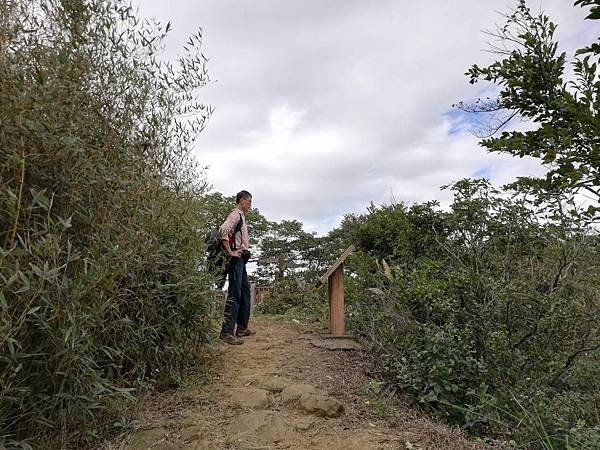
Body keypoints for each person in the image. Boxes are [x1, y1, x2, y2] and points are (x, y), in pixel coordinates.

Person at [219, 190, 255, 345]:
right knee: (235, 293)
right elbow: (222, 231)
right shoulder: (235, 215)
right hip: (235, 260)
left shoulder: (241, 216)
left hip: (241, 259)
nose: (250, 204)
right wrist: (230, 251)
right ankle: (227, 332)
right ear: (241, 200)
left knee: (245, 293)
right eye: (248, 201)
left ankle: (241, 327)